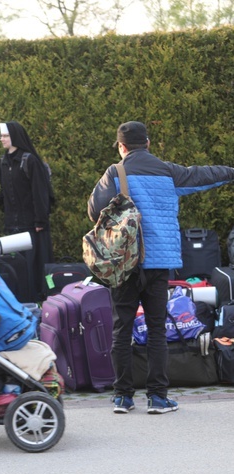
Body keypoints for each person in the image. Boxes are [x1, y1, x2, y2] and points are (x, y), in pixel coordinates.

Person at [88, 121, 234, 414]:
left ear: (121, 146)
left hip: (125, 264)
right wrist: (231, 172)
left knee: (121, 328)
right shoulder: (168, 172)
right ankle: (157, 397)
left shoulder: (114, 173)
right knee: (157, 330)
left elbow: (94, 210)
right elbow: (203, 176)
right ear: (148, 143)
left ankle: (122, 397)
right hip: (159, 264)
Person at [0, 121, 54, 301]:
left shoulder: (30, 161)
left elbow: (40, 191)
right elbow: (8, 191)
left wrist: (40, 221)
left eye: (5, 136)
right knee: (18, 267)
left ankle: (39, 301)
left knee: (35, 266)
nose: (2, 139)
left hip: (32, 226)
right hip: (13, 226)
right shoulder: (3, 162)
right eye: (1, 136)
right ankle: (21, 302)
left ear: (14, 137)